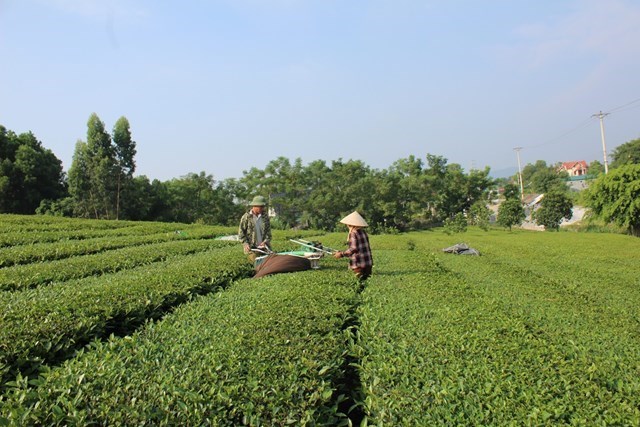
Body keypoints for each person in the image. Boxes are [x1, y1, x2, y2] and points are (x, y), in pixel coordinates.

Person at [333, 211, 373, 280]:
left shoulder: (354, 233)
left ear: (350, 224)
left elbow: (354, 248)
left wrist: (341, 254)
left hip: (359, 265)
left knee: (357, 287)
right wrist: (341, 252)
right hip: (368, 264)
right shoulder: (363, 232)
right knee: (364, 286)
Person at [238, 195, 272, 263]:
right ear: (255, 206)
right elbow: (241, 233)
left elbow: (268, 233)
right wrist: (245, 243)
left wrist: (265, 241)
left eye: (263, 207)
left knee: (269, 264)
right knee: (255, 265)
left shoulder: (265, 217)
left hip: (264, 248)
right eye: (261, 207)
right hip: (251, 249)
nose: (263, 208)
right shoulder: (246, 217)